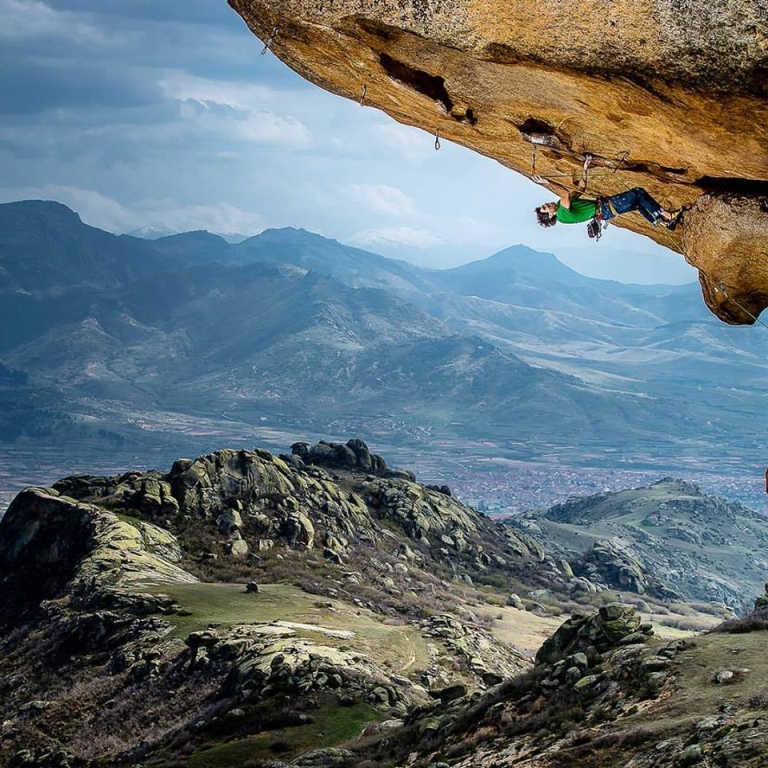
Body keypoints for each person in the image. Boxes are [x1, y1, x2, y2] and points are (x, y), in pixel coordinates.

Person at [533, 156, 682, 230]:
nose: (547, 204)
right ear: (551, 215)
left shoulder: (561, 207)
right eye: (546, 208)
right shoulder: (562, 215)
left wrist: (585, 168)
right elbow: (565, 194)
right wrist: (547, 181)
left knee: (637, 204)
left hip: (605, 211)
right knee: (638, 192)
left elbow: (580, 190)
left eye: (544, 205)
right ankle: (667, 216)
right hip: (605, 208)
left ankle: (662, 223)